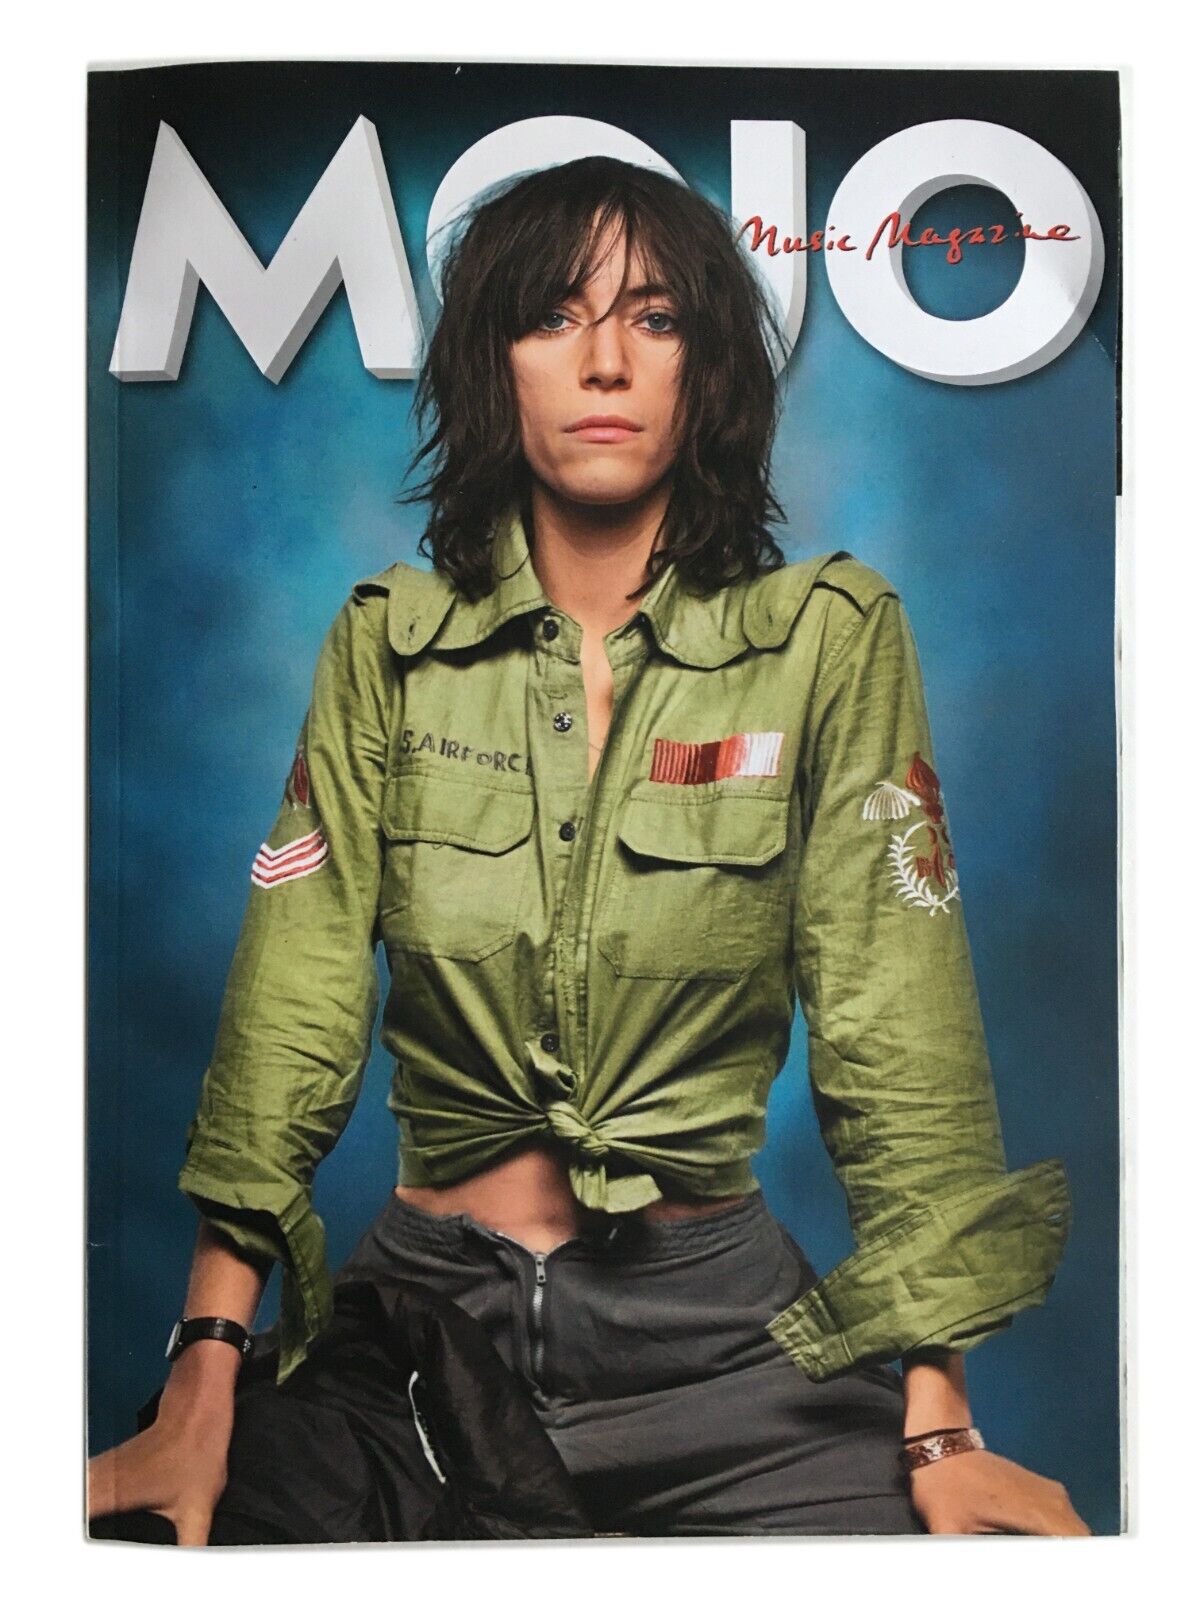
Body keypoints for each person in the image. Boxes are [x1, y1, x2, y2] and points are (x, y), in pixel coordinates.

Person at [88, 155, 1089, 1540]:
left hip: (724, 1350)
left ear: (707, 369)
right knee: (193, 1538)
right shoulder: (388, 644)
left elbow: (895, 1035)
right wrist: (202, 1378)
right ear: (491, 366)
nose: (605, 361)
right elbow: (288, 1014)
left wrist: (940, 1425)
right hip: (419, 1348)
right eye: (552, 316)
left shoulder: (827, 643)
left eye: (655, 318)